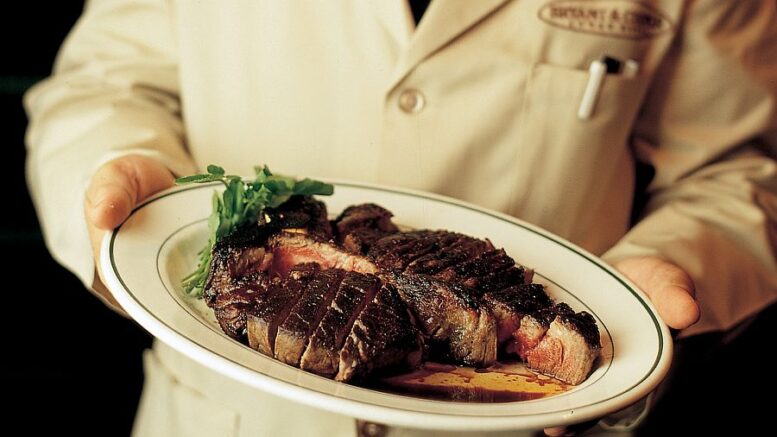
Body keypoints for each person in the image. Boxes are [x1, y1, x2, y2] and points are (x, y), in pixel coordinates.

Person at [24, 0, 776, 435]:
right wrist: (120, 188)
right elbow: (105, 84)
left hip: (526, 420)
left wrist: (677, 262)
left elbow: (736, 166)